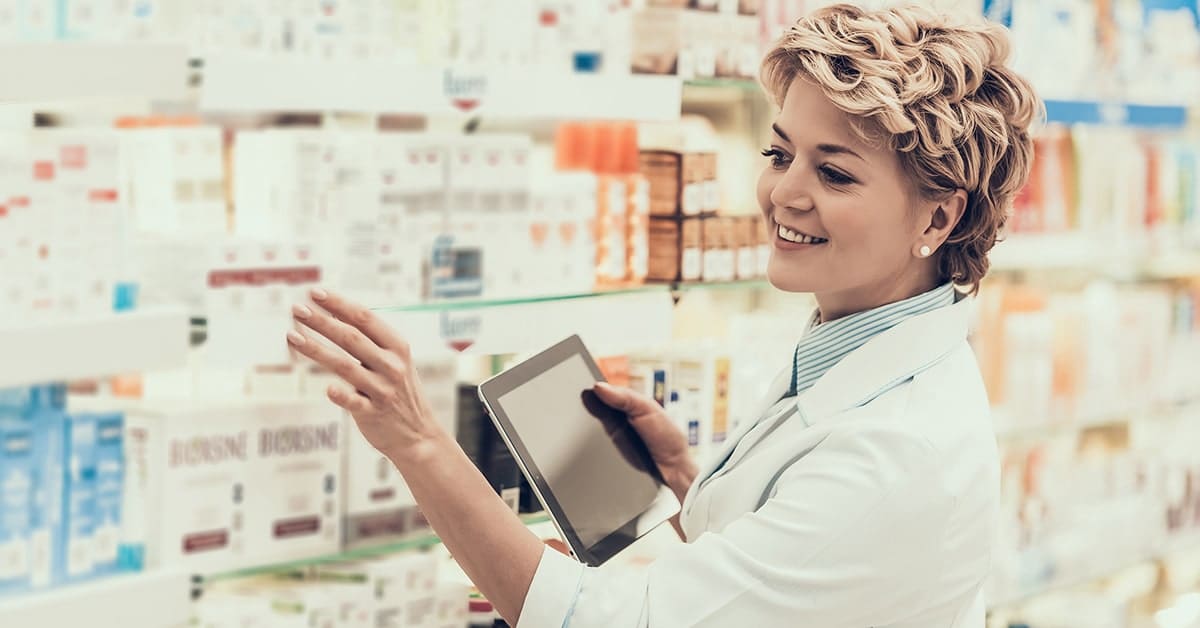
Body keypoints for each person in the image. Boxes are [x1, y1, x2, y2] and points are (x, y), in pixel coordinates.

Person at [284, 4, 1039, 626]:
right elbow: (788, 574)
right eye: (780, 155)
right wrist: (687, 479)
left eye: (834, 172)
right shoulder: (853, 341)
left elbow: (614, 622)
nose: (783, 195)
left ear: (937, 219)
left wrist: (418, 444)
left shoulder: (892, 450)